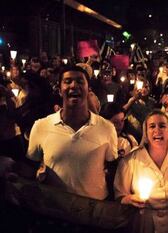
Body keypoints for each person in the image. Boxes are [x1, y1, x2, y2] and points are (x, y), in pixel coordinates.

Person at [26, 66, 118, 200]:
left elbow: (112, 170)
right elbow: (30, 168)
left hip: (93, 212)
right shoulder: (41, 126)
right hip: (55, 210)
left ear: (88, 90)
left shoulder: (106, 127)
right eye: (68, 81)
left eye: (80, 81)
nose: (74, 85)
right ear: (59, 90)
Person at [114, 110, 168, 233]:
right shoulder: (131, 161)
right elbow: (119, 195)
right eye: (152, 126)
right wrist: (130, 199)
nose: (157, 130)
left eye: (162, 126)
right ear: (146, 133)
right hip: (144, 221)